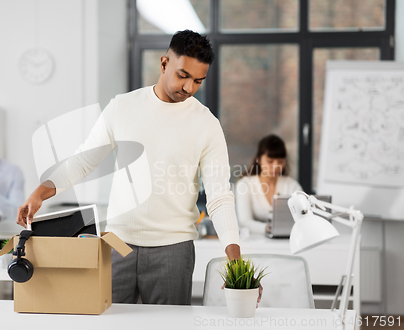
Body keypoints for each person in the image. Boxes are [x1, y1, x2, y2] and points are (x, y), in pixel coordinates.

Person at [17, 30, 259, 306]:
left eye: (198, 81)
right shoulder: (122, 107)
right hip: (117, 245)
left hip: (173, 251)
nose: (189, 88)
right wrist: (39, 194)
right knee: (110, 323)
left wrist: (235, 259)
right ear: (164, 63)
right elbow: (83, 160)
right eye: (183, 75)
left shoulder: (206, 124)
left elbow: (219, 196)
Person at [235, 134, 302, 235]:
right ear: (258, 160)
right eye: (270, 161)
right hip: (254, 242)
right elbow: (244, 222)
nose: (275, 166)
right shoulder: (245, 184)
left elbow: (303, 217)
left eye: (280, 161)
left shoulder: (292, 185)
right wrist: (267, 228)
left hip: (287, 241)